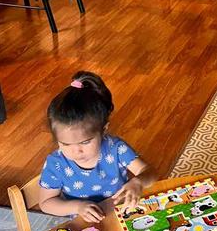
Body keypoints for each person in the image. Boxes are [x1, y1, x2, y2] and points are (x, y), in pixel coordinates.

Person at [37, 71, 156, 222]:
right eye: (65, 144)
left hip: (120, 213)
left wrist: (138, 182)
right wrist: (78, 207)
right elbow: (46, 203)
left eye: (85, 142)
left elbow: (150, 172)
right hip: (83, 222)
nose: (76, 151)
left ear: (104, 130)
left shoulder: (116, 149)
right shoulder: (56, 164)